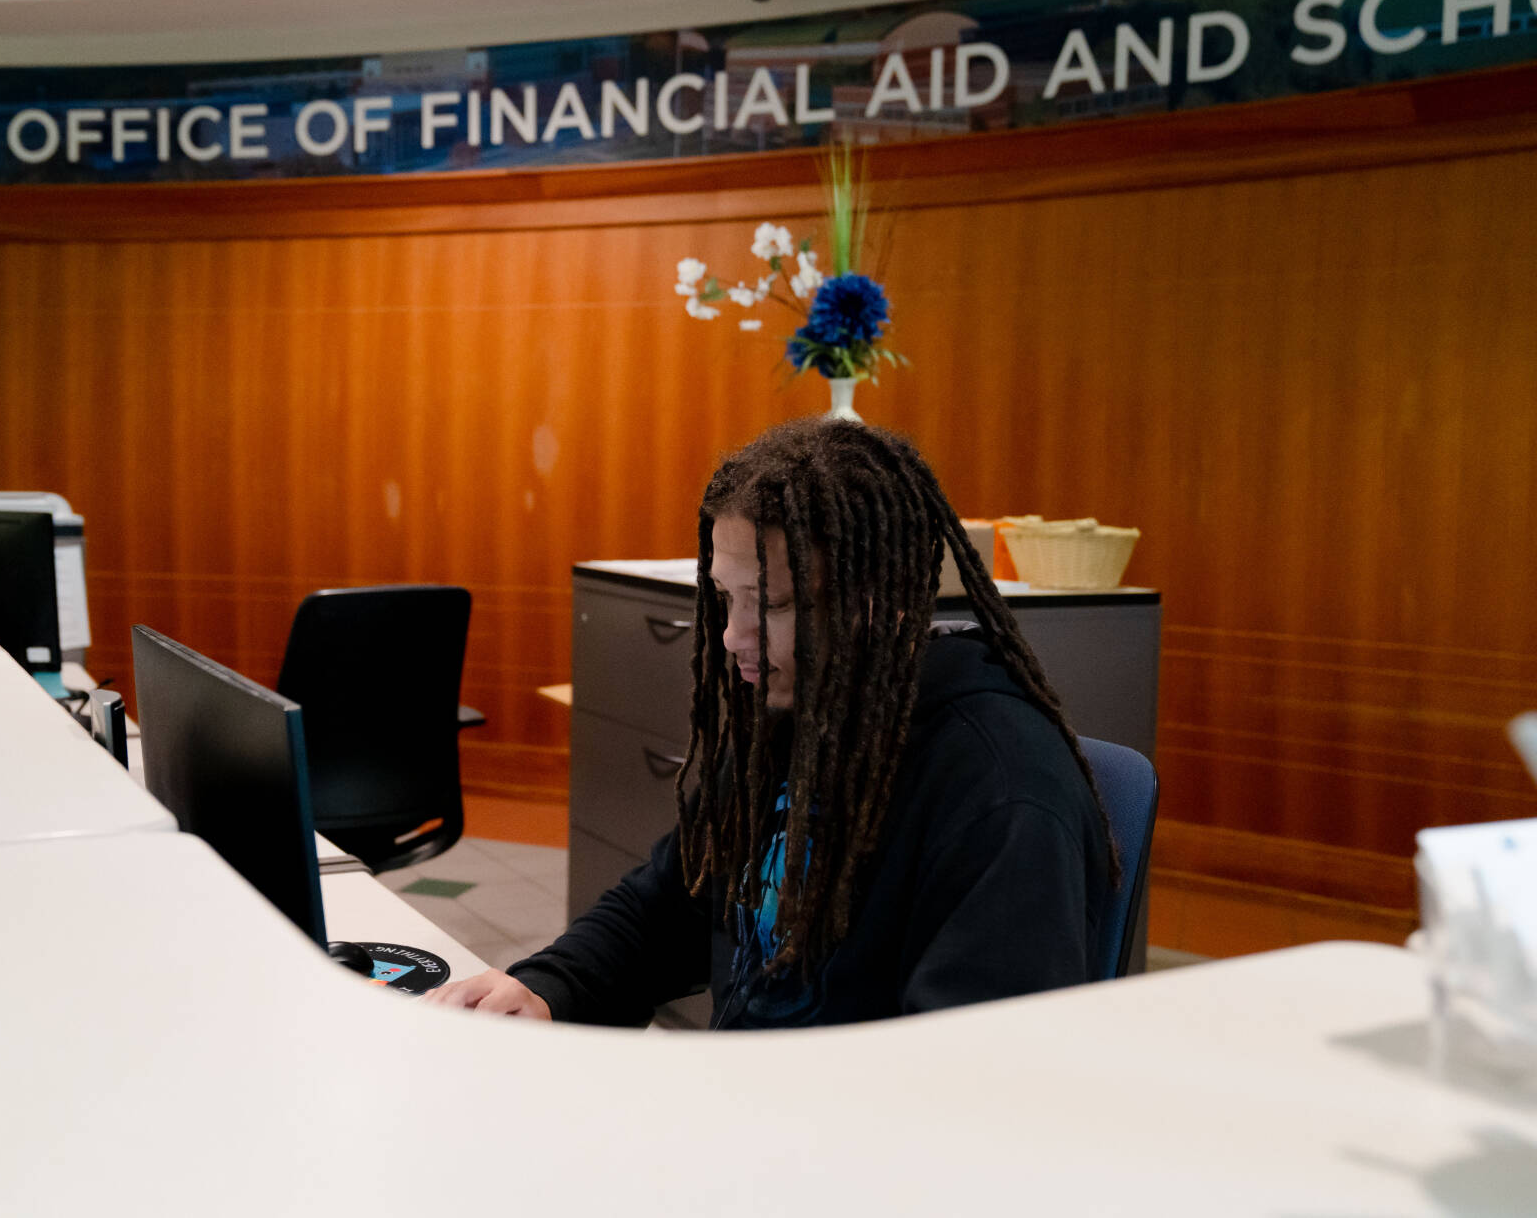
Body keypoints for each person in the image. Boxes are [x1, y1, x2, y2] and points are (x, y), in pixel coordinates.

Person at [424, 417, 1118, 1028]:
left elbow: (970, 1084)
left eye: (771, 603)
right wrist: (547, 987)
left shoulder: (1003, 792)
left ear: (880, 604)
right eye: (726, 598)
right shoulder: (799, 716)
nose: (731, 636)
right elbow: (672, 903)